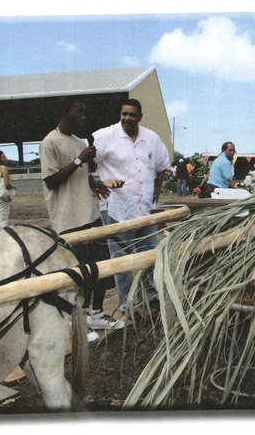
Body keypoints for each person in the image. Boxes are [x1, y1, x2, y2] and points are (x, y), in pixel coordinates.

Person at [40, 100, 125, 332]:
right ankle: (75, 322)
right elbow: (51, 181)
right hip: (68, 220)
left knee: (100, 268)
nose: (83, 117)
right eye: (79, 112)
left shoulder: (80, 142)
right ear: (65, 112)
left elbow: (82, 176)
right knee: (77, 274)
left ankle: (96, 314)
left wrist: (97, 186)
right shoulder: (49, 142)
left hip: (89, 215)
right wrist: (79, 160)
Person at [93, 99, 170, 312]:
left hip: (144, 207)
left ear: (140, 117)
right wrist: (98, 184)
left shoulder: (151, 138)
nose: (127, 118)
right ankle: (127, 304)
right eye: (124, 114)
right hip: (117, 206)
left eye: (132, 115)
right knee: (121, 258)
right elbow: (83, 161)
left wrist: (157, 187)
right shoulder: (105, 136)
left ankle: (150, 295)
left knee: (148, 253)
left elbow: (162, 164)